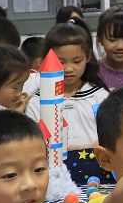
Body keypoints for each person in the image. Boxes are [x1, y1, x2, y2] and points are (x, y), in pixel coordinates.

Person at [24, 23, 109, 151]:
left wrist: (88, 147)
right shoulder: (37, 102)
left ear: (88, 57)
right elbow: (31, 143)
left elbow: (112, 135)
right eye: (61, 62)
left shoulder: (100, 97)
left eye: (76, 61)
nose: (68, 69)